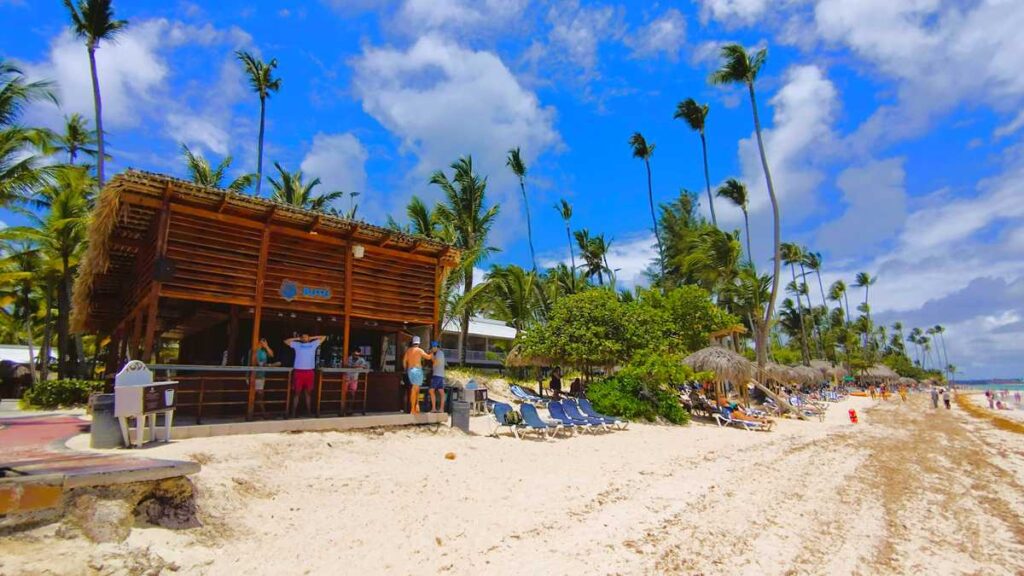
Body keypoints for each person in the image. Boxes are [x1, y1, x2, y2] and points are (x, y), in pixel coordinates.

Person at [285, 333, 326, 417]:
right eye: (303, 337)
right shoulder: (297, 345)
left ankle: (309, 412)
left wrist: (312, 337)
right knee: (297, 393)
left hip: (309, 371)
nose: (304, 338)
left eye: (306, 337)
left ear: (308, 337)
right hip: (298, 371)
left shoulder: (313, 344)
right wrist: (298, 339)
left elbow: (324, 337)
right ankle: (293, 413)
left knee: (308, 393)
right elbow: (286, 341)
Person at [403, 336, 432, 415]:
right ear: (419, 343)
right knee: (414, 389)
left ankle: (416, 406)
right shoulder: (419, 350)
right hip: (417, 370)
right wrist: (431, 352)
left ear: (413, 342)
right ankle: (413, 408)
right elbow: (428, 357)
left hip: (410, 370)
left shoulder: (408, 350)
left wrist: (406, 369)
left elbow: (404, 361)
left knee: (416, 388)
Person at [252, 337, 275, 418]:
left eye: (264, 342)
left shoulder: (263, 351)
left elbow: (271, 355)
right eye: (261, 342)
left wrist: (266, 346)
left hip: (261, 376)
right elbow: (255, 362)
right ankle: (262, 412)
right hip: (255, 376)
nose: (262, 343)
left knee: (260, 395)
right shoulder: (254, 351)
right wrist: (271, 365)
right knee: (258, 394)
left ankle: (260, 412)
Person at [428, 341, 446, 413]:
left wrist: (431, 355)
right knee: (441, 392)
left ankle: (434, 408)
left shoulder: (439, 353)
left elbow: (435, 363)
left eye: (432, 348)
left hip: (437, 375)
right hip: (440, 375)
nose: (432, 349)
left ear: (435, 347)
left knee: (431, 390)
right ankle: (441, 409)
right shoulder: (440, 353)